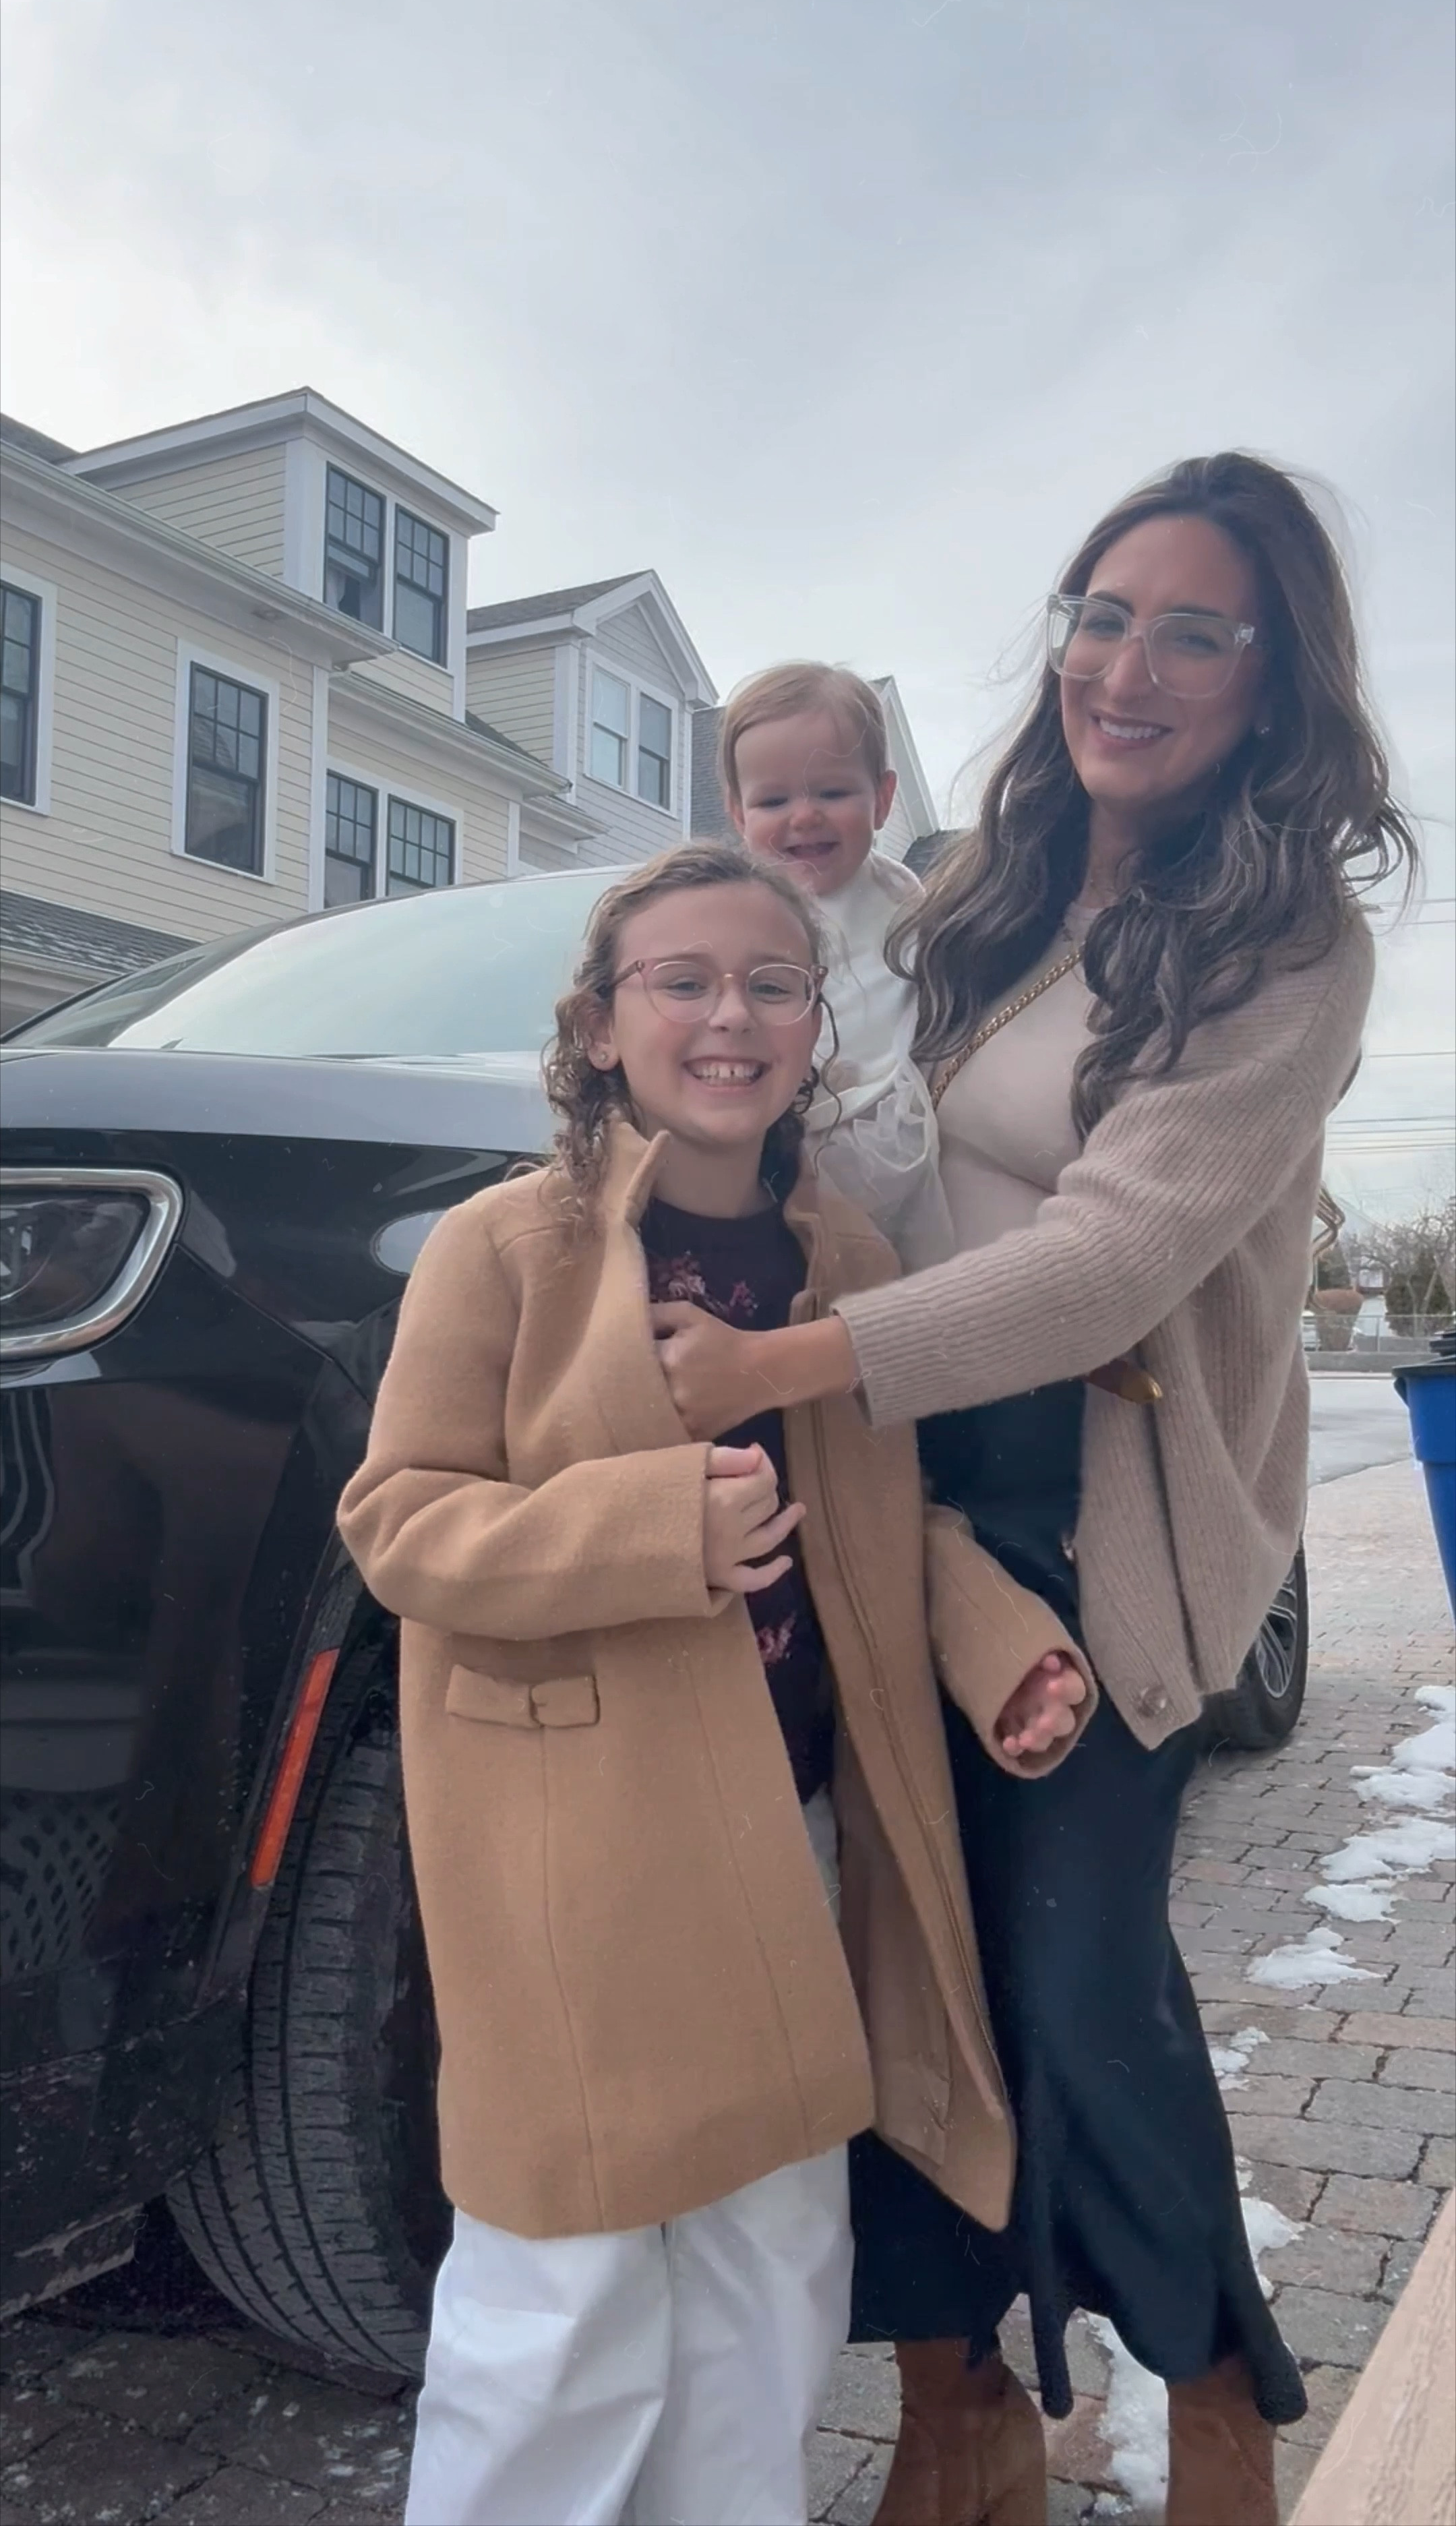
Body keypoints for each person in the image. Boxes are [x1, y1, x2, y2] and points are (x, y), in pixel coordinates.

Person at [650, 457, 1419, 2526]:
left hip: (1104, 1505)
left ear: (1275, 687)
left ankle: (1222, 2407)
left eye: (1194, 628)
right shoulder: (975, 891)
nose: (1125, 663)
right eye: (1101, 611)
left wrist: (782, 1358)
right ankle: (956, 2401)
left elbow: (1110, 1256)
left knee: (1078, 1978)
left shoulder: (1282, 944)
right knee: (901, 1956)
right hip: (898, 1489)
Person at [337, 841, 1089, 2526]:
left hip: (794, 1834)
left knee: (773, 2263)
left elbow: (877, 1527)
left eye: (770, 981)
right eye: (680, 979)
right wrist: (645, 1522)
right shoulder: (505, 1248)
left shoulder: (844, 1265)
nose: (727, 1014)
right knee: (564, 2282)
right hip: (576, 1848)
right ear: (601, 1024)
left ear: (819, 1028)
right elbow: (398, 1521)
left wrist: (999, 1651)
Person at [721, 661, 957, 1269]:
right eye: (774, 800)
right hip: (762, 1148)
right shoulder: (725, 915)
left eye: (831, 792)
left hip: (891, 1154)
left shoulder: (910, 909)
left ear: (882, 799)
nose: (804, 817)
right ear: (738, 815)